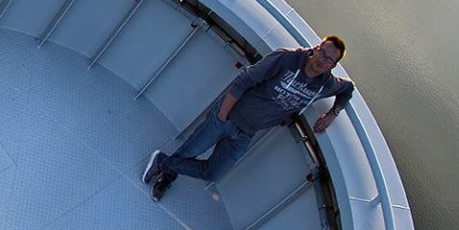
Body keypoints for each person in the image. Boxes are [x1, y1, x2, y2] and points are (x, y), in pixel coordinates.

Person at [145, 35, 353, 200]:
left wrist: (332, 114)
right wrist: (222, 116)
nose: (321, 60)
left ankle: (163, 162)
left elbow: (348, 89)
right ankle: (167, 175)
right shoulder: (287, 59)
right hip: (228, 117)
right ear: (315, 49)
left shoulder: (326, 85)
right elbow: (244, 80)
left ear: (332, 66)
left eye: (328, 59)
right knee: (190, 151)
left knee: (212, 173)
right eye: (321, 52)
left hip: (247, 133)